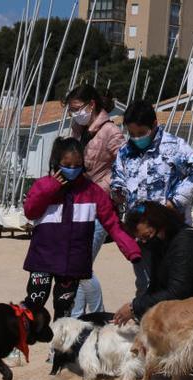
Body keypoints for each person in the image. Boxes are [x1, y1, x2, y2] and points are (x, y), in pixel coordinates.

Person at [22, 137, 141, 320]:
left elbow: (113, 223)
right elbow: (30, 210)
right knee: (33, 305)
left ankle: (59, 349)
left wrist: (132, 250)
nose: (72, 169)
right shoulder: (42, 185)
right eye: (66, 164)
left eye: (77, 164)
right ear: (56, 163)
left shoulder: (92, 192)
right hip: (43, 259)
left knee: (64, 310)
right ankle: (19, 343)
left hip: (73, 264)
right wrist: (52, 186)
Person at [110, 99, 193, 295]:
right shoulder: (124, 152)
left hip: (171, 232)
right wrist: (118, 192)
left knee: (175, 286)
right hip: (140, 234)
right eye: (132, 134)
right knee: (145, 286)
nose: (137, 138)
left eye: (142, 133)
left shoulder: (175, 146)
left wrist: (174, 202)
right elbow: (117, 179)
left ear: (154, 125)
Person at [112, 201, 193, 326]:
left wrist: (134, 307)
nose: (145, 242)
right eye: (141, 239)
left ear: (160, 223)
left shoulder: (185, 242)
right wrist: (138, 311)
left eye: (147, 236)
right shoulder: (161, 243)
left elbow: (177, 292)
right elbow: (156, 285)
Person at [64, 84, 125, 317]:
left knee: (81, 265)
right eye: (71, 110)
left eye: (77, 108)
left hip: (101, 204)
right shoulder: (78, 128)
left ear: (91, 105)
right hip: (78, 203)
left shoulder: (111, 131)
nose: (74, 114)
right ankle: (77, 317)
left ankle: (98, 316)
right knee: (76, 265)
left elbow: (124, 166)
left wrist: (102, 188)